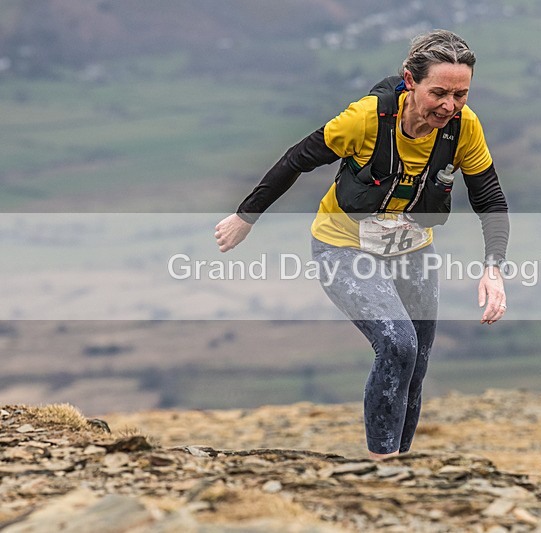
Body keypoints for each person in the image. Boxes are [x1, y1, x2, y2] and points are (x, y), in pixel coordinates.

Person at [215, 29, 509, 460]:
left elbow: (490, 197)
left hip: (411, 251)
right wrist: (247, 215)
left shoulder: (464, 128)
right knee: (397, 345)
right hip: (343, 248)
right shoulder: (364, 120)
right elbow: (298, 159)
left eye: (461, 95)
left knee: (417, 363)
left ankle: (400, 466)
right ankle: (382, 465)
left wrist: (493, 268)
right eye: (439, 93)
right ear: (410, 81)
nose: (450, 105)